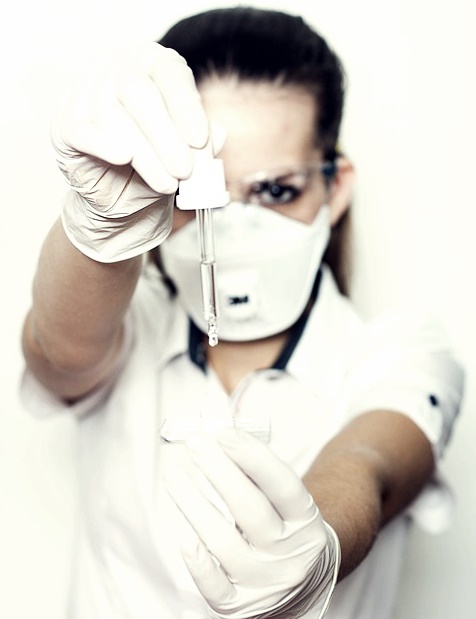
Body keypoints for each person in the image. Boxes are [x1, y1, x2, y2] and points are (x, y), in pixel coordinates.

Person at [20, 6, 464, 619]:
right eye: (199, 192)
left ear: (334, 187)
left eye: (275, 190)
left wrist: (319, 544)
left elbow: (373, 466)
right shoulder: (128, 324)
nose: (232, 226)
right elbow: (59, 348)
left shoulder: (398, 353)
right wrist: (97, 224)